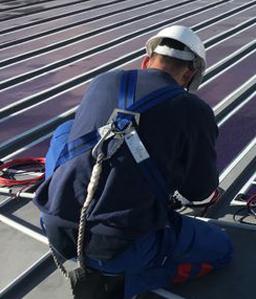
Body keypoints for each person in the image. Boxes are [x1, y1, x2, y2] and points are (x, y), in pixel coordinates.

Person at [33, 25, 232, 298]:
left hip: (55, 225)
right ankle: (122, 284)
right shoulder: (194, 111)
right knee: (222, 249)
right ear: (190, 74)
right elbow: (198, 192)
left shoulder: (103, 81)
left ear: (146, 61)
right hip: (116, 249)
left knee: (65, 131)